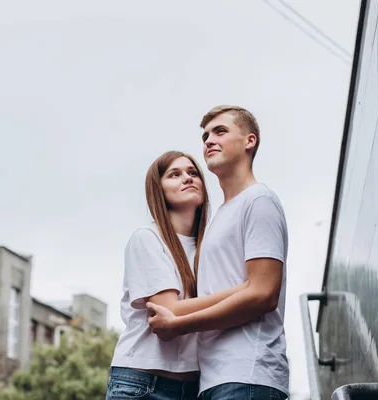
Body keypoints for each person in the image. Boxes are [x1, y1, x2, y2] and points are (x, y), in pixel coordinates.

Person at [147, 106, 289, 400]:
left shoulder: (259, 200)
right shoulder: (217, 219)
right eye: (205, 135)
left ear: (249, 141)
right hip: (215, 380)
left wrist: (178, 325)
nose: (209, 140)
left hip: (248, 375)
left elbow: (264, 294)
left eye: (220, 131)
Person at [106, 151, 247, 400]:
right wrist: (242, 291)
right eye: (175, 174)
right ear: (158, 190)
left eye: (193, 173)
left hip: (194, 387)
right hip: (143, 384)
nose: (187, 178)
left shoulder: (211, 247)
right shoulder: (147, 239)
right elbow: (170, 309)